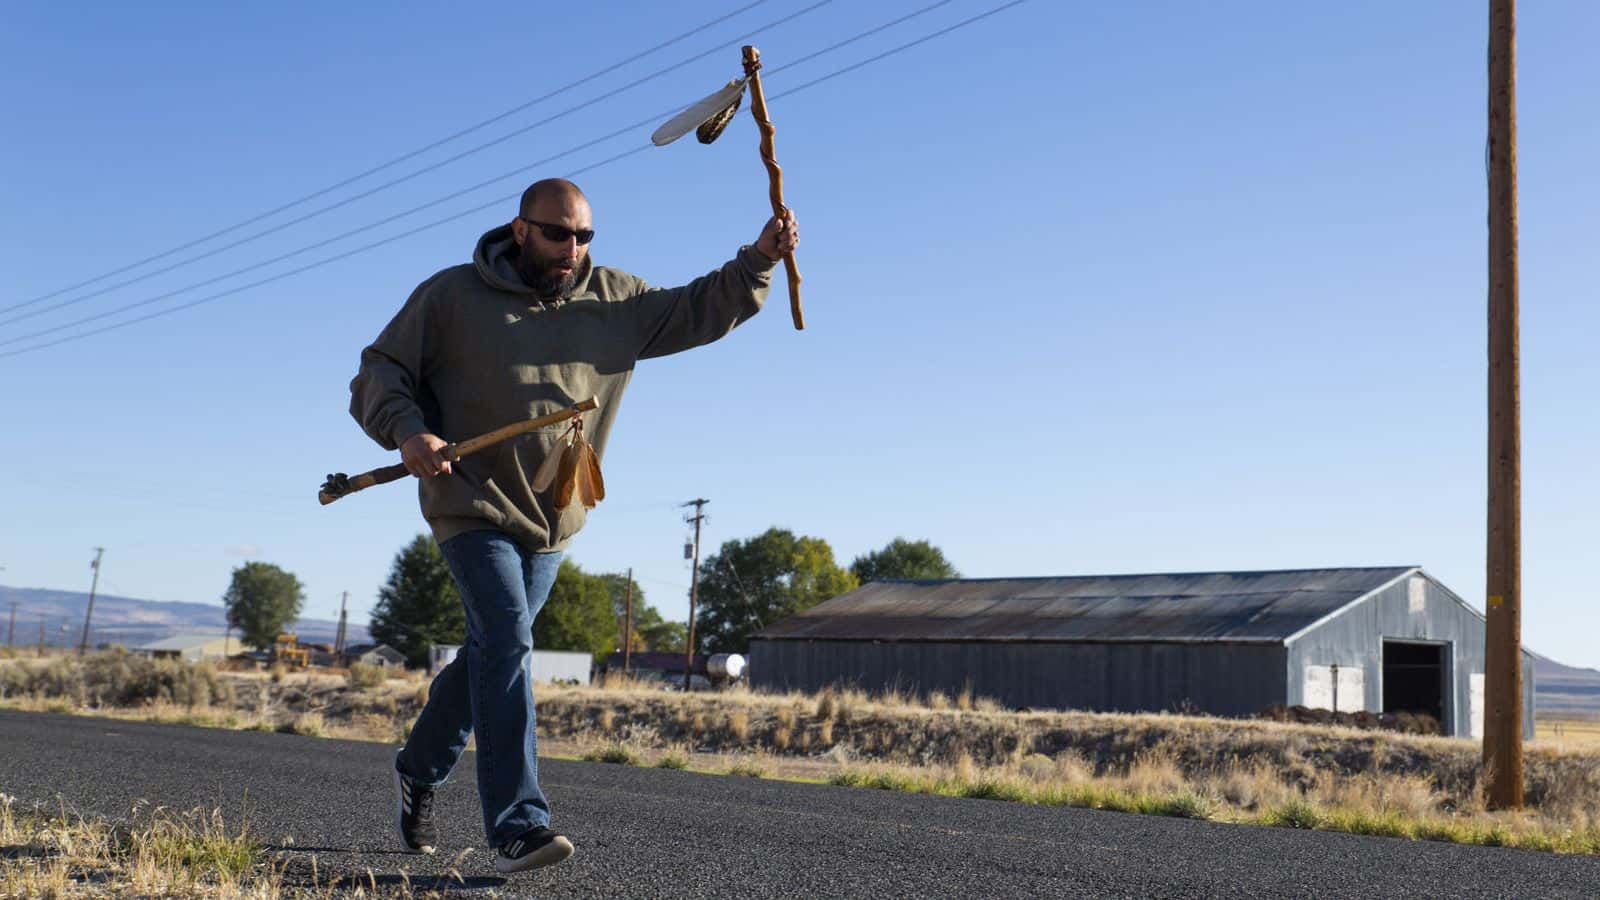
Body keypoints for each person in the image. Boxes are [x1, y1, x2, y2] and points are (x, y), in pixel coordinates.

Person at [348, 178, 797, 873]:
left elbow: (697, 308)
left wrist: (759, 259)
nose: (573, 248)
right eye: (559, 234)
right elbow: (379, 372)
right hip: (470, 503)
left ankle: (418, 767)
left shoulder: (616, 299)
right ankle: (519, 825)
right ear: (520, 229)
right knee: (506, 634)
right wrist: (409, 432)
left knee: (491, 654)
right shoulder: (450, 297)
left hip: (555, 513)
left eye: (585, 236)